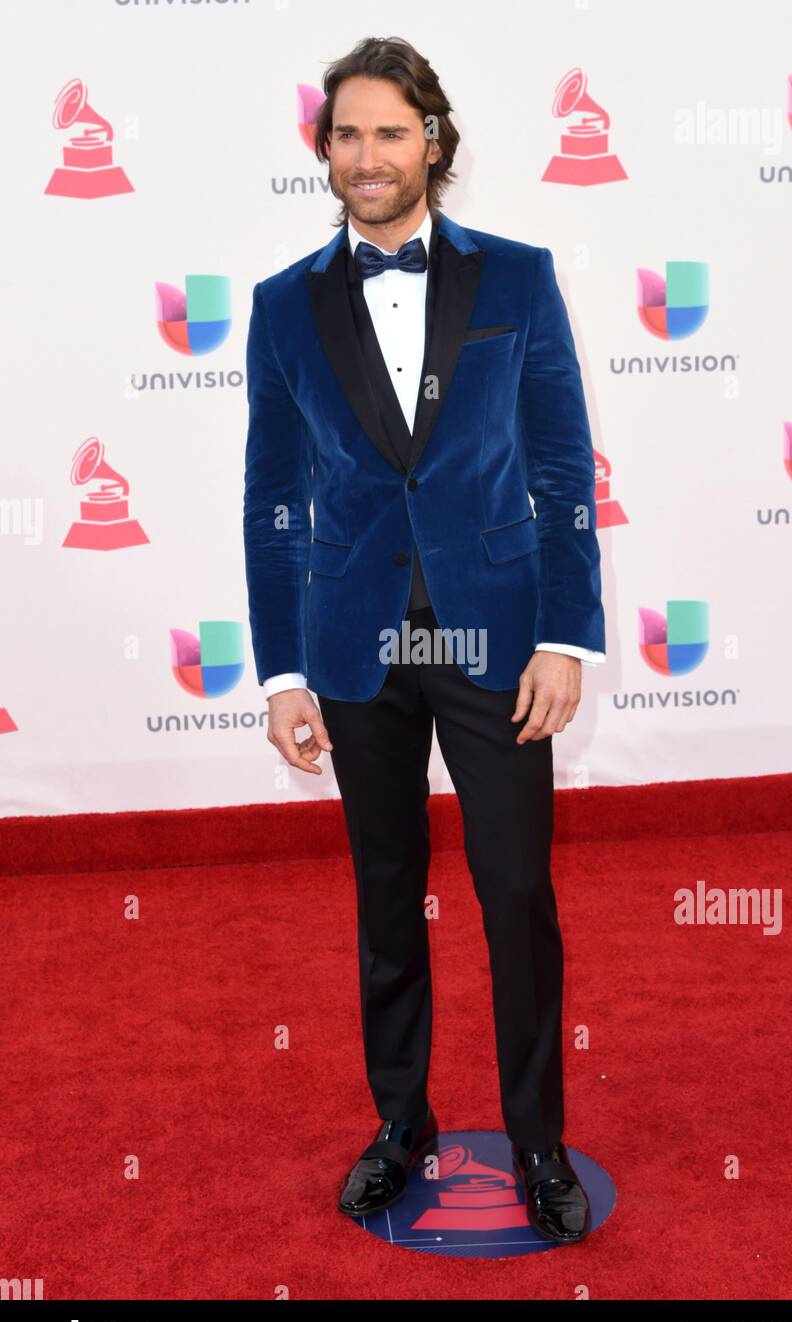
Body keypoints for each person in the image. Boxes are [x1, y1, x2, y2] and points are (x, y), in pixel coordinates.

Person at [243, 36, 605, 1244]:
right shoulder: (282, 305)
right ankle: (401, 1125)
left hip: (497, 633)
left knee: (514, 895)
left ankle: (539, 1139)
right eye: (345, 134)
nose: (366, 156)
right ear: (323, 149)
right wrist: (284, 664)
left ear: (432, 143)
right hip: (353, 642)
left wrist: (567, 634)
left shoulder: (516, 278)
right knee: (386, 897)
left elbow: (559, 469)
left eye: (390, 132)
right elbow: (271, 493)